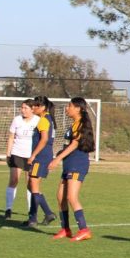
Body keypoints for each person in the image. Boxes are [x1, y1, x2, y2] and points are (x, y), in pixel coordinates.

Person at [48, 97, 97, 242]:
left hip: (77, 163)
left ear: (78, 108)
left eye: (69, 106)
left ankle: (84, 229)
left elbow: (75, 144)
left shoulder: (81, 123)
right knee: (60, 196)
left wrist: (57, 159)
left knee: (71, 197)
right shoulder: (74, 124)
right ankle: (66, 228)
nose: (66, 108)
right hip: (69, 162)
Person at [24, 96, 58, 227]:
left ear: (42, 107)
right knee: (32, 186)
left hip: (41, 157)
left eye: (35, 106)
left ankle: (37, 217)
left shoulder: (44, 120)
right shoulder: (47, 119)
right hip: (44, 156)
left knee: (33, 186)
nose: (33, 108)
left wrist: (33, 155)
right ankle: (42, 215)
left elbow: (44, 140)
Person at [3, 100, 38, 219]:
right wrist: (8, 154)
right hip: (16, 154)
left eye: (25, 108)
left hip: (31, 156)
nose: (22, 110)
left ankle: (30, 211)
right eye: (22, 107)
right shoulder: (17, 120)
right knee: (13, 180)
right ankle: (8, 209)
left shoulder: (38, 121)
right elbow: (11, 137)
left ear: (32, 109)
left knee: (30, 183)